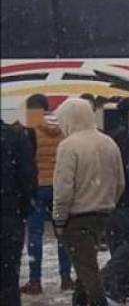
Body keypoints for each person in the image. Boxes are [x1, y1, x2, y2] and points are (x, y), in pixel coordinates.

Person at [53, 98, 125, 306]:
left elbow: (63, 190)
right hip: (102, 214)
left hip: (77, 216)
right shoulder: (108, 142)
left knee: (88, 269)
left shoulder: (68, 146)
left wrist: (59, 219)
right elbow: (120, 182)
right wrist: (107, 202)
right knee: (86, 264)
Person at [21, 94, 73, 294]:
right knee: (62, 232)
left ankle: (35, 281)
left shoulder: (29, 129)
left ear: (31, 110)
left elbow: (26, 160)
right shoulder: (61, 128)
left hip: (38, 186)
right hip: (58, 186)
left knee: (35, 234)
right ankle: (66, 277)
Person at [1, 118, 42, 306]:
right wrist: (22, 208)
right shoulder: (14, 137)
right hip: (7, 217)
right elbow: (29, 178)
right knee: (8, 280)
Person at [100, 97, 129, 304]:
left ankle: (124, 284)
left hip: (114, 195)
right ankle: (112, 278)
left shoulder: (113, 137)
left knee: (118, 240)